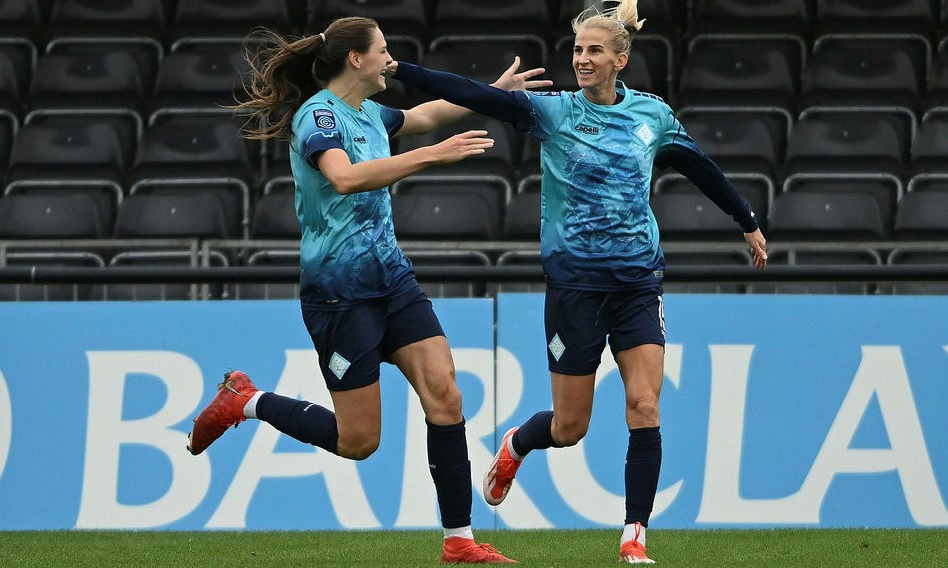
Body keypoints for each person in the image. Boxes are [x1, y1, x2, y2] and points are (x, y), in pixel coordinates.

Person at [384, 0, 769, 564]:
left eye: (593, 51)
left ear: (621, 58)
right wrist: (403, 72)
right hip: (575, 288)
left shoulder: (652, 116)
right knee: (569, 428)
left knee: (644, 404)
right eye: (578, 50)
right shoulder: (553, 112)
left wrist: (747, 221)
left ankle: (634, 534)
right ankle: (518, 443)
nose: (582, 59)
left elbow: (700, 167)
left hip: (638, 282)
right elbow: (474, 94)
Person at [185, 16, 551, 564]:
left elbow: (426, 114)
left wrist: (495, 94)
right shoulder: (318, 117)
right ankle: (248, 400)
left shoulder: (371, 112)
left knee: (446, 396)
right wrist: (432, 155)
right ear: (356, 59)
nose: (390, 59)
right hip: (339, 293)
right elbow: (346, 178)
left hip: (392, 279)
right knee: (359, 442)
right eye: (383, 50)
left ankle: (459, 542)